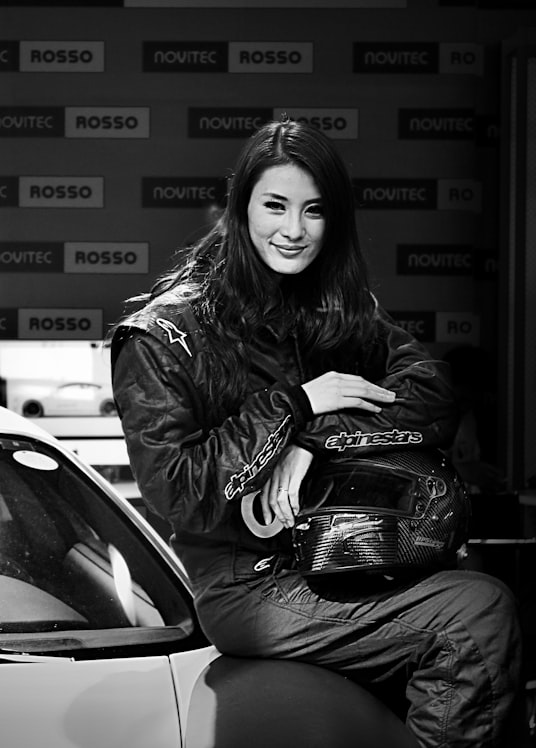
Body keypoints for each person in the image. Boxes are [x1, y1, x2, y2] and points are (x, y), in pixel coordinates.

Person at [108, 118, 523, 747]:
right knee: (477, 617)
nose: (294, 230)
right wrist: (293, 405)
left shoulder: (336, 309)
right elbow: (179, 492)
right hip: (252, 585)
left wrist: (316, 435)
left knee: (478, 583)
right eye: (275, 205)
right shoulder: (164, 336)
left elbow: (433, 395)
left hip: (358, 556)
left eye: (315, 210)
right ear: (240, 205)